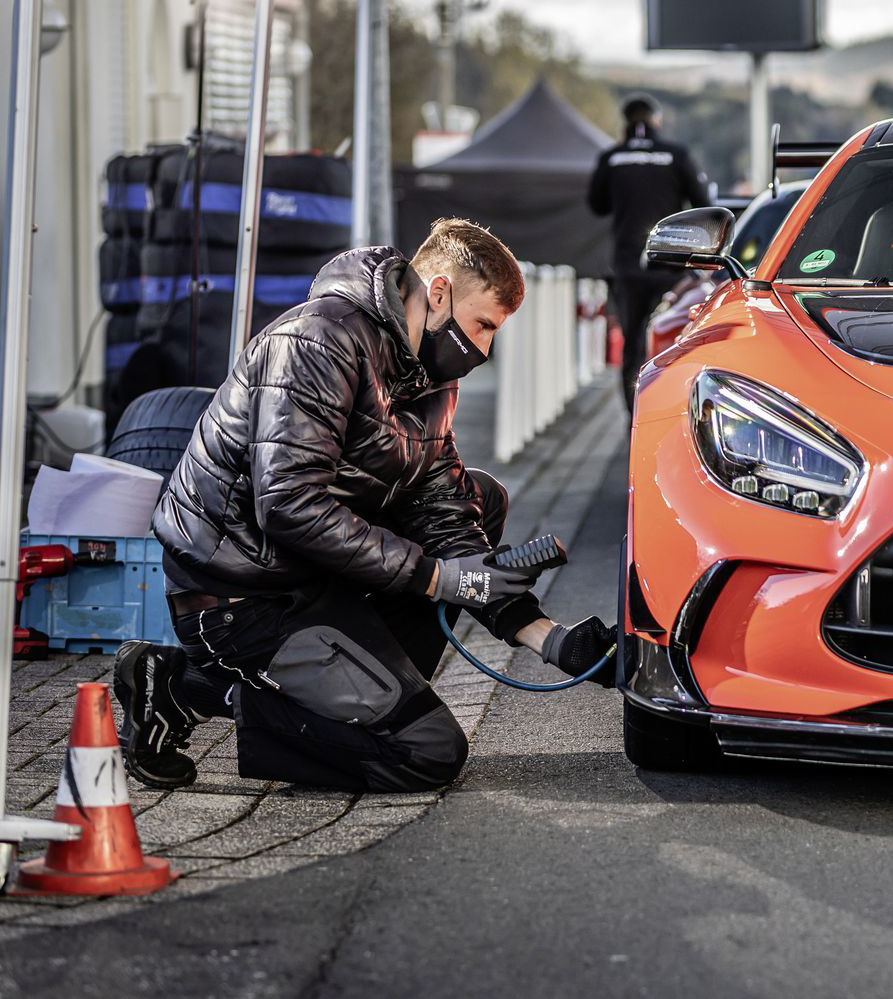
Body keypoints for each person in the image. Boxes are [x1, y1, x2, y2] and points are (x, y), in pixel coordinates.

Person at [114, 219, 618, 793]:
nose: (484, 349)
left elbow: (444, 509)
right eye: (482, 326)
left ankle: (350, 693)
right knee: (425, 753)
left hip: (319, 573)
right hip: (242, 592)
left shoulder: (428, 372)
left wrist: (549, 638)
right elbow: (287, 502)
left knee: (480, 497)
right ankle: (185, 687)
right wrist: (435, 579)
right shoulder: (316, 341)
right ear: (438, 293)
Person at [589, 92, 712, 407]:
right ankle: (668, 407)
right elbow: (704, 206)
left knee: (632, 344)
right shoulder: (676, 155)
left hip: (628, 268)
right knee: (673, 339)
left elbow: (597, 204)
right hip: (670, 266)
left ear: (626, 122)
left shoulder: (611, 157)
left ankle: (634, 417)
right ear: (656, 120)